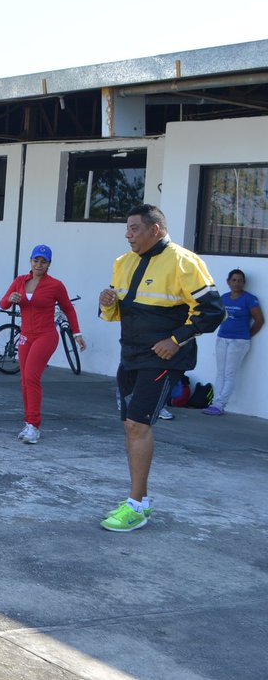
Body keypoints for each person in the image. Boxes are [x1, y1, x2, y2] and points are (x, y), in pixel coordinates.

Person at [97, 204, 224, 532]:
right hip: (131, 355)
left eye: (134, 228)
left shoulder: (185, 261)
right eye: (127, 228)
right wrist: (108, 303)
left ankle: (137, 505)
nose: (128, 235)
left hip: (164, 357)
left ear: (156, 229)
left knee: (138, 425)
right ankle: (136, 498)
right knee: (129, 425)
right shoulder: (122, 263)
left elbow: (212, 311)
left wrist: (177, 339)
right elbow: (118, 314)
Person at [0, 245, 86, 444]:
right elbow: (3, 303)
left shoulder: (55, 285)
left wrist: (77, 333)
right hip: (26, 335)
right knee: (24, 380)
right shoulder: (20, 281)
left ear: (49, 264)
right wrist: (10, 299)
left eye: (43, 261)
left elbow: (68, 309)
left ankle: (34, 426)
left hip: (45, 336)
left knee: (31, 377)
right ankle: (28, 423)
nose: (39, 264)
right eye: (36, 260)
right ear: (30, 261)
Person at [206, 269, 263, 415]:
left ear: (244, 283)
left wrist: (248, 335)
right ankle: (215, 403)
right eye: (234, 280)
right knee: (220, 372)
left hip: (239, 341)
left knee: (230, 373)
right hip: (222, 338)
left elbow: (259, 320)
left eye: (240, 280)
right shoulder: (224, 297)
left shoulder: (250, 299)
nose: (237, 283)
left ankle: (220, 404)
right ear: (228, 281)